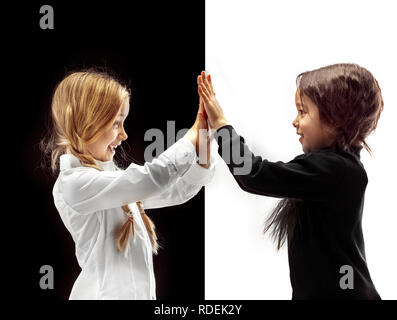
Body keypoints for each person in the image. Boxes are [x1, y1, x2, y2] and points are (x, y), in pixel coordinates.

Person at [197, 63, 383, 299]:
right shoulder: (332, 168)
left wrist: (221, 124)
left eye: (303, 112)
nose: (295, 122)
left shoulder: (338, 171)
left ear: (336, 120)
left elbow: (255, 174)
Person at [42, 69, 214, 299]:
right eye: (116, 123)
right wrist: (192, 135)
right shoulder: (73, 184)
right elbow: (150, 179)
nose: (124, 134)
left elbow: (177, 190)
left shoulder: (113, 183)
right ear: (87, 123)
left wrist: (203, 145)